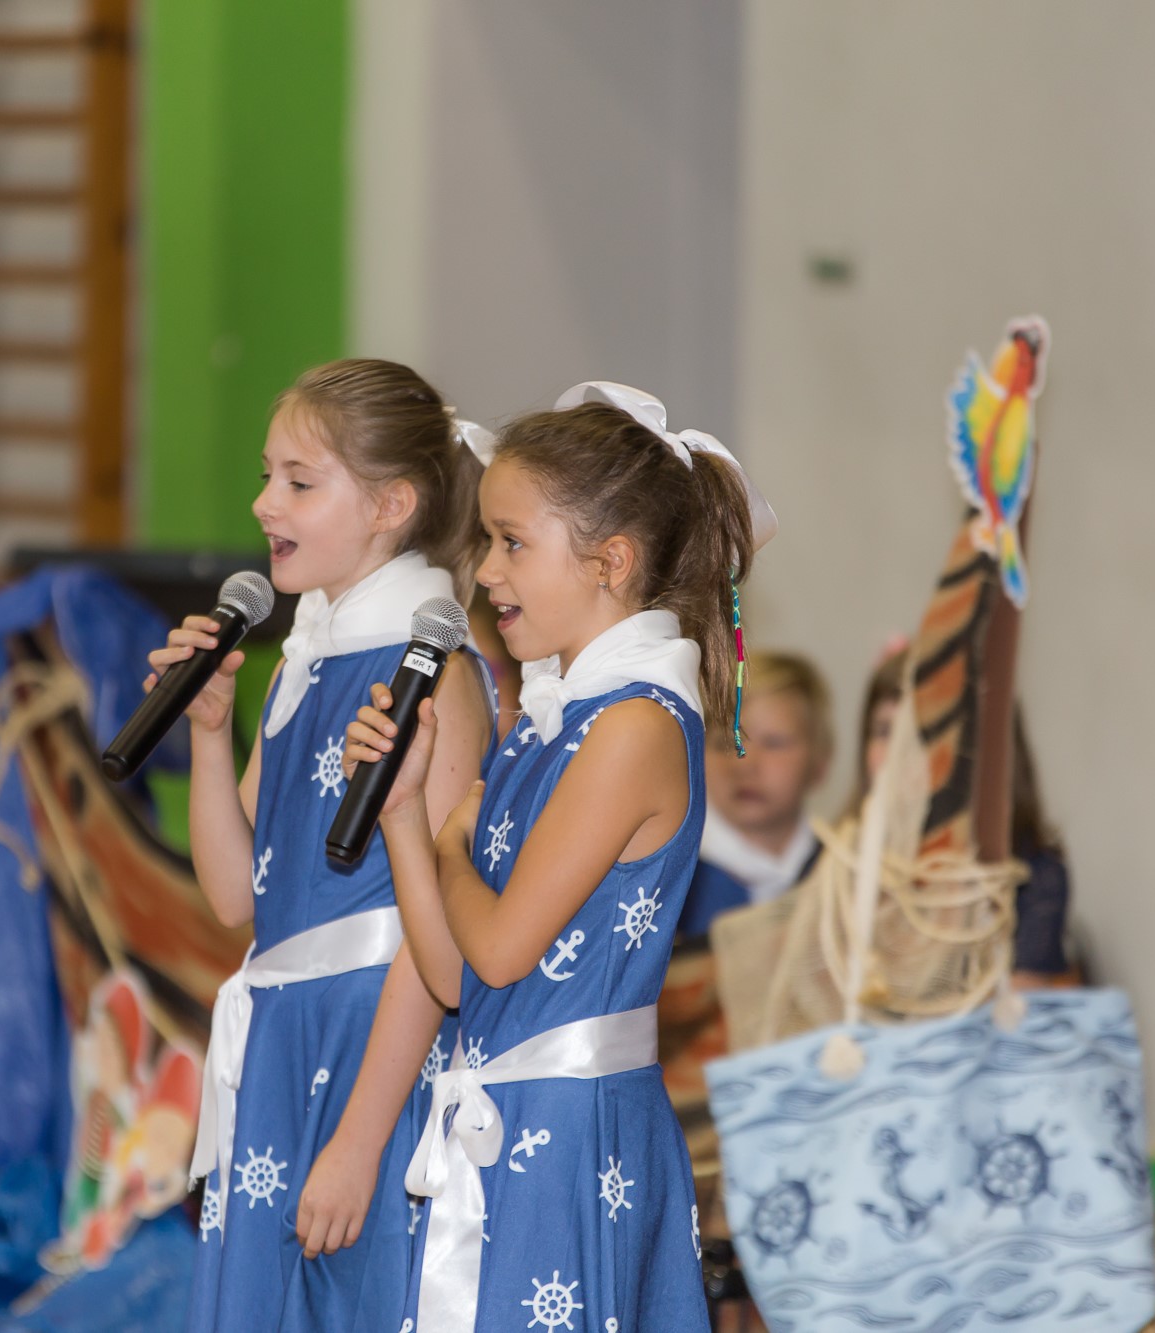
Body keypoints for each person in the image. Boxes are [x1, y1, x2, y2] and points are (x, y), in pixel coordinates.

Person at [347, 380, 776, 1331]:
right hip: (512, 1125)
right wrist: (406, 813)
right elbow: (458, 978)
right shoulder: (553, 715)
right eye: (486, 540)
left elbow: (501, 949)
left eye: (511, 541)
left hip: (572, 1138)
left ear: (609, 561)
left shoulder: (632, 727)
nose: (484, 570)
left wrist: (452, 846)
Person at [156, 359, 496, 1331]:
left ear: (392, 505)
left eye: (299, 482)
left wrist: (358, 1140)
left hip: (373, 1050)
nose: (265, 503)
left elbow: (433, 940)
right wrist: (209, 730)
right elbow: (236, 895)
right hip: (282, 1034)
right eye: (267, 475)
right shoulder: (306, 654)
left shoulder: (433, 677)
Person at [845, 644, 1078, 987]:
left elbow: (1021, 1001)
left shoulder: (1032, 876)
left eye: (921, 733)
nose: (898, 753)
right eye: (883, 731)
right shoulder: (838, 864)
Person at [677, 649, 833, 939]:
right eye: (725, 742)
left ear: (820, 762)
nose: (744, 764)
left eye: (774, 743)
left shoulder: (843, 876)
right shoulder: (673, 880)